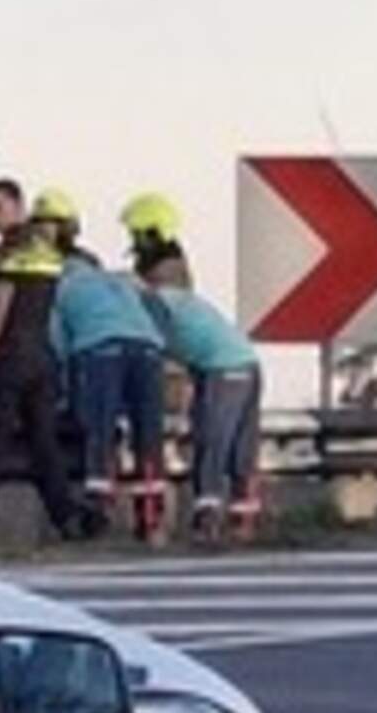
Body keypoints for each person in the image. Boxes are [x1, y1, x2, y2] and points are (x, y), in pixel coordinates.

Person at [0, 183, 85, 545]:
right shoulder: (47, 254)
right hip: (42, 359)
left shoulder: (11, 255)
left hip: (7, 360)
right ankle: (66, 518)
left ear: (18, 206)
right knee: (44, 442)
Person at [139, 252, 262, 539]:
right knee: (241, 443)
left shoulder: (153, 302)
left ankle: (207, 517)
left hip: (221, 368)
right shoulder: (186, 299)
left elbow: (157, 344)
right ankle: (244, 519)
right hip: (248, 363)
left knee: (211, 441)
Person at [53, 227, 168, 525]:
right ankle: (151, 511)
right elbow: (157, 309)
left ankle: (99, 504)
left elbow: (58, 343)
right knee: (148, 430)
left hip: (101, 350)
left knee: (99, 427)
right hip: (149, 349)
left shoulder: (62, 286)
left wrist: (64, 389)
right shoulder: (122, 280)